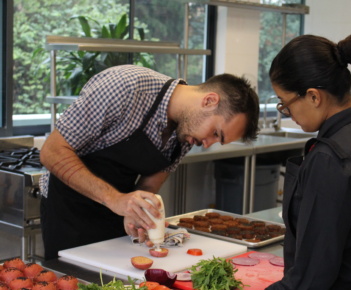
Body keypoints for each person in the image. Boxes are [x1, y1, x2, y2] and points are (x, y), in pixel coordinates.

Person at [39, 65, 259, 260]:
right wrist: (114, 199)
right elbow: (52, 151)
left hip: (116, 212)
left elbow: (148, 186)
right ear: (209, 101)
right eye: (215, 133)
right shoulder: (125, 87)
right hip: (69, 211)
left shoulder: (186, 133)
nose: (207, 144)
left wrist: (141, 217)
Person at [255, 33, 351, 290]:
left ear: (313, 96)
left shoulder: (330, 159)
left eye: (285, 104)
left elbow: (312, 276)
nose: (287, 113)